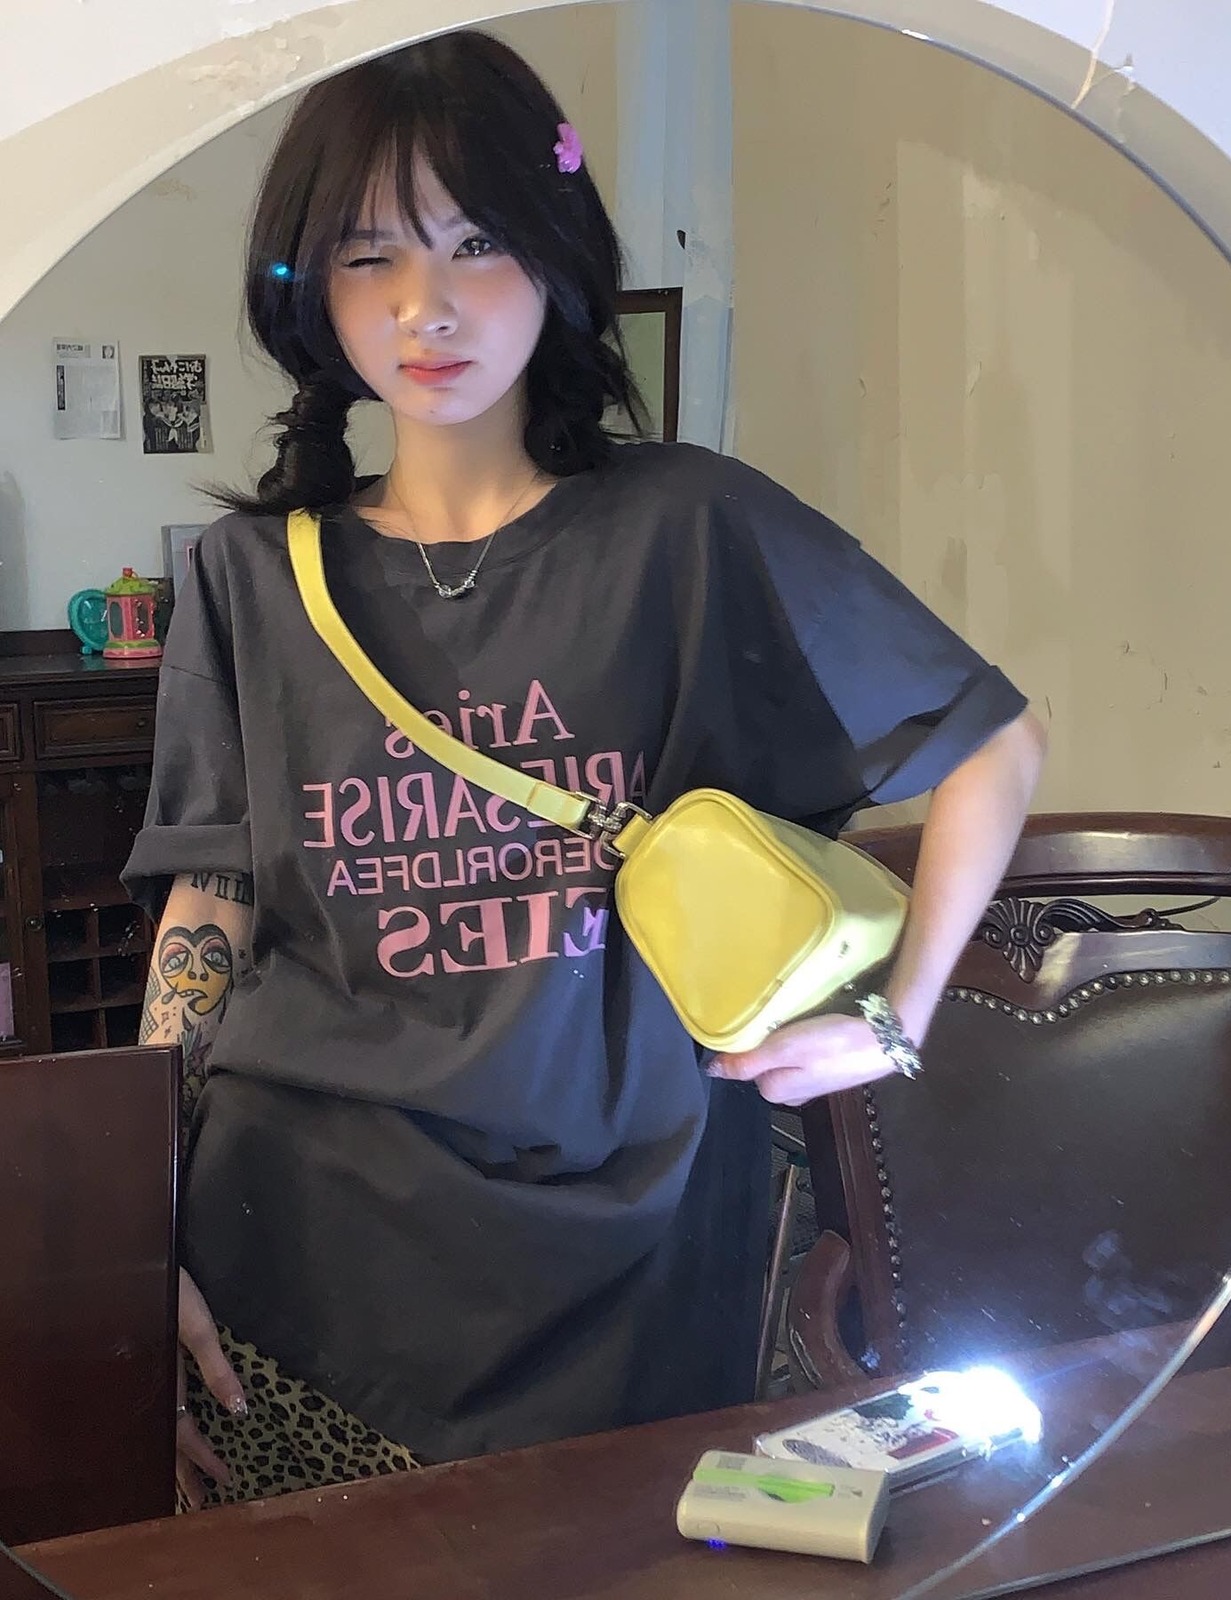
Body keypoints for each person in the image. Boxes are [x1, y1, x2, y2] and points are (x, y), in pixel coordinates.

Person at [123, 28, 1045, 1511]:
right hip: (296, 1254)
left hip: (637, 1253)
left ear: (553, 255)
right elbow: (209, 911)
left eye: (475, 242)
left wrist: (897, 1021)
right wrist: (135, 1234)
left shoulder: (690, 530)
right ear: (311, 291)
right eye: (367, 256)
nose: (424, 306)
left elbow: (993, 741)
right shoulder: (250, 576)